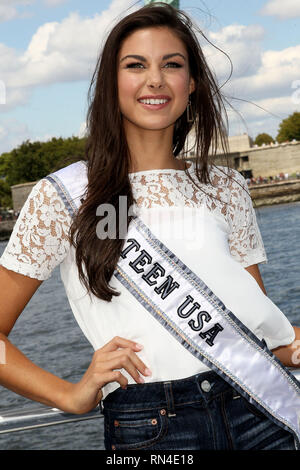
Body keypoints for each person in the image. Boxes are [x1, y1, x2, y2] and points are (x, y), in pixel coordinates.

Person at [0, 3, 299, 451]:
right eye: (135, 65)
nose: (155, 79)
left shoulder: (226, 188)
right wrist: (71, 395)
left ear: (192, 84)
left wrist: (292, 345)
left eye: (172, 65)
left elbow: (250, 330)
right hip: (153, 428)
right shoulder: (68, 196)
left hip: (258, 415)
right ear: (111, 83)